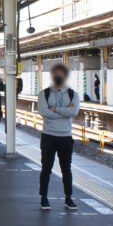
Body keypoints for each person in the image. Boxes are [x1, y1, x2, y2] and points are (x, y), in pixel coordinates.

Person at [37, 63, 80, 211]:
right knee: (46, 168)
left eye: (62, 74)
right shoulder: (44, 94)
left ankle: (68, 197)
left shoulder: (73, 94)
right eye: (57, 74)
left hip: (66, 137)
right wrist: (64, 111)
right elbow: (44, 112)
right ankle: (44, 198)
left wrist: (55, 109)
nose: (59, 77)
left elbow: (74, 112)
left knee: (66, 169)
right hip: (49, 136)